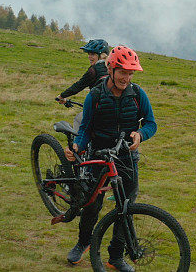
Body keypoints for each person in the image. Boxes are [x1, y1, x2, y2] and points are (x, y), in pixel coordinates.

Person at [64, 45, 157, 271]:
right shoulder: (94, 96)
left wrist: (140, 134)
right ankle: (84, 242)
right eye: (122, 72)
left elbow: (151, 124)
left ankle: (115, 256)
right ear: (111, 69)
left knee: (126, 207)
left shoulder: (138, 94)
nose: (126, 77)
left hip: (126, 157)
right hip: (100, 155)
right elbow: (85, 128)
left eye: (130, 73)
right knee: (92, 204)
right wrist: (77, 146)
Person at [56, 39, 110, 131]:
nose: (89, 57)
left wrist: (62, 96)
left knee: (78, 119)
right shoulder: (111, 67)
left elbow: (78, 86)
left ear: (101, 55)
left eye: (92, 54)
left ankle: (77, 145)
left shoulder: (93, 70)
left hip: (100, 112)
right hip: (113, 111)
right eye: (88, 54)